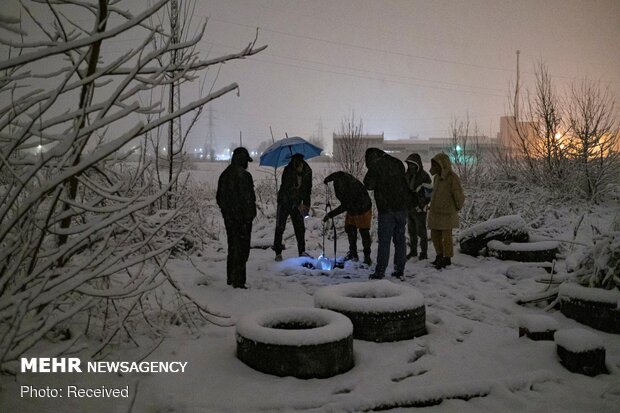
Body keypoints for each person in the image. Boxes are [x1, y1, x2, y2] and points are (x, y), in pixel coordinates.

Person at [363, 148, 410, 279]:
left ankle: (380, 271)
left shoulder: (376, 166)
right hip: (401, 208)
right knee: (400, 239)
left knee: (384, 241)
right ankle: (399, 269)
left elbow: (368, 184)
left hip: (386, 209)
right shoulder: (397, 162)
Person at [216, 147, 256, 288]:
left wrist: (227, 212)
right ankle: (239, 281)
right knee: (242, 249)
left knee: (232, 247)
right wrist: (249, 215)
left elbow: (219, 198)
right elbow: (249, 199)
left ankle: (231, 278)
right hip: (242, 220)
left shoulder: (224, 175)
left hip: (230, 219)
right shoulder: (244, 176)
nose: (248, 164)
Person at [323, 171, 373, 266]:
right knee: (350, 229)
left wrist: (329, 215)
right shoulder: (341, 178)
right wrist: (328, 179)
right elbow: (337, 174)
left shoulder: (351, 188)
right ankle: (353, 254)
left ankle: (367, 257)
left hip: (363, 208)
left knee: (364, 232)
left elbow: (344, 206)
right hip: (352, 208)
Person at [427, 152, 465, 269]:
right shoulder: (437, 178)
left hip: (447, 213)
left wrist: (457, 207)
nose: (433, 167)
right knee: (435, 236)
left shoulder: (452, 178)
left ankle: (447, 258)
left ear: (442, 165)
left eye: (436, 165)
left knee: (446, 238)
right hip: (436, 213)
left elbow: (458, 195)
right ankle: (439, 256)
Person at [273, 153, 312, 261]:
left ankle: (302, 251)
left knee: (300, 228)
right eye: (297, 166)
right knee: (280, 227)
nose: (299, 168)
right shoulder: (287, 171)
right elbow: (287, 190)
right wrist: (297, 203)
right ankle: (278, 252)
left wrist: (306, 206)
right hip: (284, 201)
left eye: (300, 166)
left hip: (298, 202)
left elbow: (308, 190)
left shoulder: (308, 171)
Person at [404, 153, 432, 260]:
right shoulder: (406, 175)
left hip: (419, 209)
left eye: (413, 164)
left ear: (417, 164)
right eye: (409, 164)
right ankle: (413, 251)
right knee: (411, 231)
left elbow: (428, 193)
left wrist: (422, 205)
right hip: (409, 208)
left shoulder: (424, 176)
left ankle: (424, 253)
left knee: (421, 232)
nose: (411, 166)